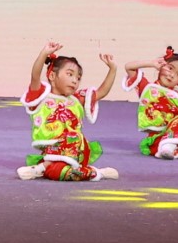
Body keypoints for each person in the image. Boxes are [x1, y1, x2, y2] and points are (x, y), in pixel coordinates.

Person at [18, 41, 118, 181]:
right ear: (52, 76)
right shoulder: (41, 97)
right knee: (60, 172)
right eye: (70, 74)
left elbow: (101, 92)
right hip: (52, 151)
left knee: (70, 141)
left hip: (76, 151)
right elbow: (35, 75)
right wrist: (44, 54)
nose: (75, 81)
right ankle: (95, 173)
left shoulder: (76, 99)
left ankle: (41, 168)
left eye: (78, 78)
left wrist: (113, 69)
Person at [121, 46, 178, 160]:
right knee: (177, 147)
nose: (172, 75)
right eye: (170, 68)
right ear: (161, 65)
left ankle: (171, 147)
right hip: (156, 140)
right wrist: (151, 63)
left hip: (174, 137)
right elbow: (129, 67)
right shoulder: (147, 88)